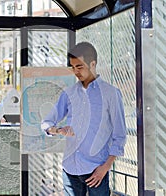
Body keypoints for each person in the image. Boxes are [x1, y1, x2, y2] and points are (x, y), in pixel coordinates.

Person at [41, 42, 127, 196]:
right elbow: (47, 123)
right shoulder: (68, 94)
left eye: (79, 67)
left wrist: (105, 168)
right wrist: (58, 130)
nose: (75, 71)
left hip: (96, 171)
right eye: (72, 67)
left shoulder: (111, 94)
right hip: (70, 170)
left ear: (92, 64)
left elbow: (119, 135)